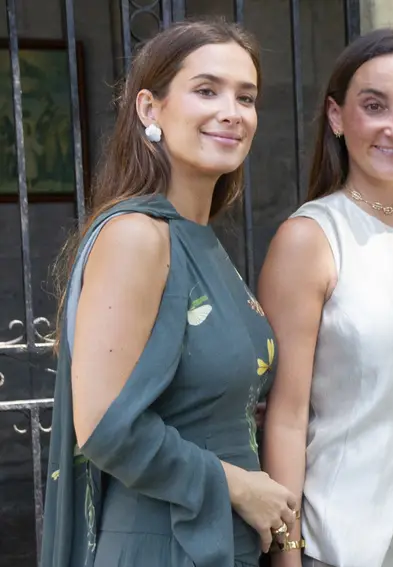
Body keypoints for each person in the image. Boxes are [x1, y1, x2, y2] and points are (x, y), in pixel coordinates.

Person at [41, 19, 298, 567]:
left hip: (218, 544)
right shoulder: (137, 235)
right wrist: (238, 485)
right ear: (149, 109)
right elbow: (106, 428)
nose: (232, 111)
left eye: (246, 97)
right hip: (159, 543)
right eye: (207, 90)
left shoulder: (199, 239)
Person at [256, 28, 393, 567]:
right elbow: (286, 416)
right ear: (337, 117)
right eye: (374, 106)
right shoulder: (308, 238)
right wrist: (287, 555)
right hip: (343, 540)